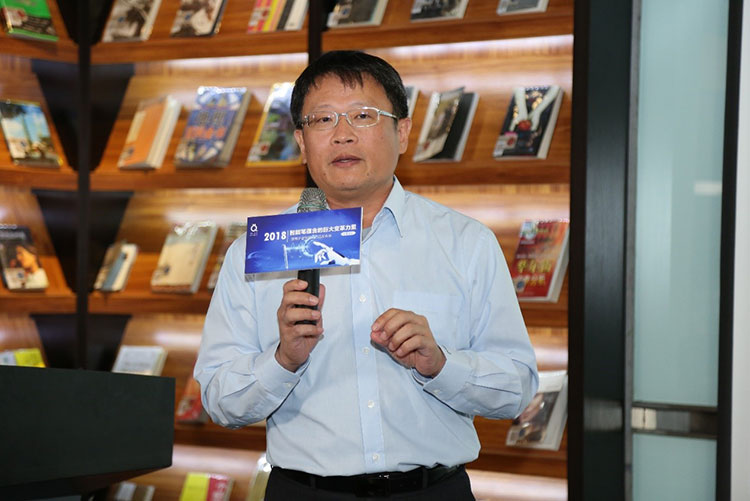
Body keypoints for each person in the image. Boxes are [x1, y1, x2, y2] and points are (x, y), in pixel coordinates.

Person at [194, 50, 538, 500]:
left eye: (363, 115)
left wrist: (441, 365)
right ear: (301, 142)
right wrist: (283, 359)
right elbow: (220, 400)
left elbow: (516, 389)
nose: (342, 134)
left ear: (403, 132)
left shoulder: (465, 242)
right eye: (322, 120)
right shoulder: (256, 251)